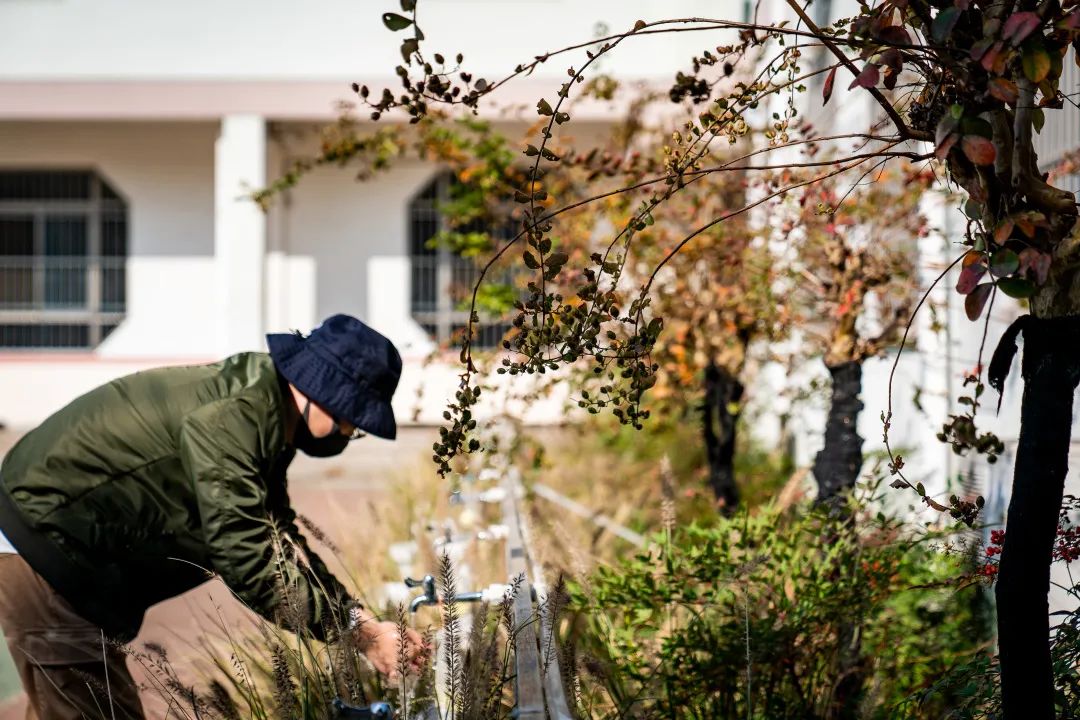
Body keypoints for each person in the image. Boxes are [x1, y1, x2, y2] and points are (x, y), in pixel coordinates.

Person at [0, 314, 425, 719]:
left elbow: (277, 535)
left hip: (60, 551)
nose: (351, 434)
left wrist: (365, 624)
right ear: (327, 392)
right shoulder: (235, 417)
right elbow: (249, 557)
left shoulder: (265, 409)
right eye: (354, 420)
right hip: (44, 550)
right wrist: (362, 637)